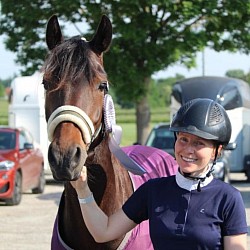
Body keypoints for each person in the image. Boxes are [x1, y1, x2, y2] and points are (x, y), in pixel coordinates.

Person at [71, 98, 248, 250]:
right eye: (183, 139)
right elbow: (104, 232)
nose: (188, 150)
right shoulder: (153, 190)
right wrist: (82, 190)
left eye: (199, 143)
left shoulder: (228, 198)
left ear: (217, 151)